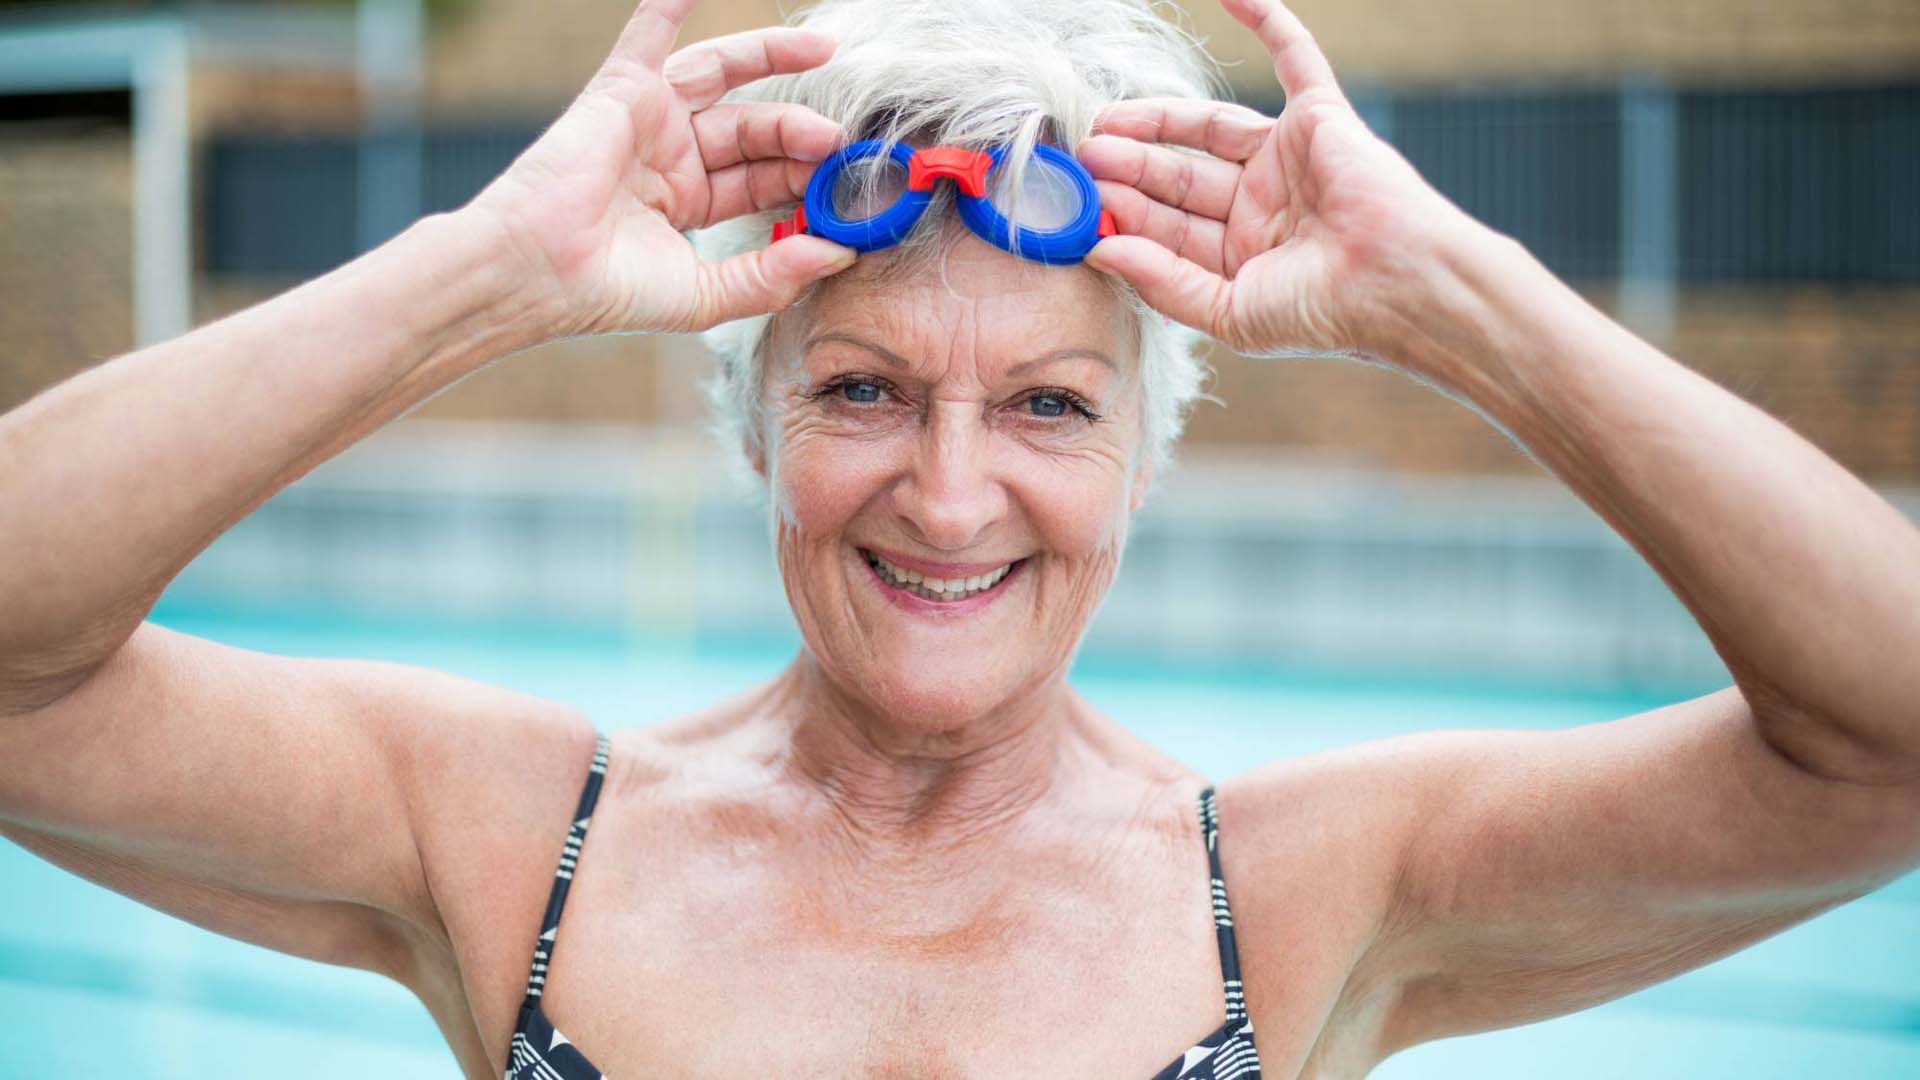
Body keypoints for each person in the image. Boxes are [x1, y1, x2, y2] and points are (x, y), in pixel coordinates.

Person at [2, 0, 1916, 1076]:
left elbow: (1887, 736)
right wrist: (482, 274)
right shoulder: (523, 847)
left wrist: (1457, 298)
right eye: (858, 390)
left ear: (1144, 458)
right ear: (752, 418)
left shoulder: (1311, 892)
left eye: (1048, 406)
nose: (945, 491)